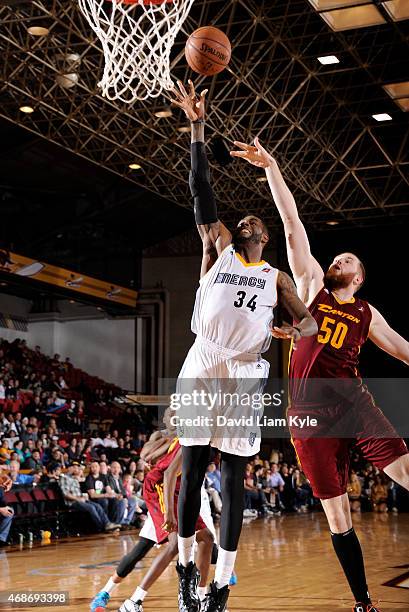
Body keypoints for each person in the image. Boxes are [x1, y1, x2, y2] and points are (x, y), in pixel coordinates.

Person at [231, 137, 409, 612]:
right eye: (335, 259)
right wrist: (271, 166)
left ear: (359, 277)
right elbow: (291, 224)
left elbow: (404, 351)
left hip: (352, 402)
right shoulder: (310, 286)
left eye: (345, 261)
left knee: (405, 471)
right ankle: (363, 601)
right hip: (307, 414)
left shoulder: (368, 314)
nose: (336, 261)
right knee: (337, 512)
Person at [170, 80, 317, 612]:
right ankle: (187, 568)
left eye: (257, 221)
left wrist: (288, 332)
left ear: (267, 239)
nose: (249, 219)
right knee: (192, 469)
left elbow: (309, 327)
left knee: (232, 476)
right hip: (205, 359)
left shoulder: (276, 277)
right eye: (246, 218)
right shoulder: (221, 245)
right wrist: (196, 126)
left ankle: (222, 583)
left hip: (248, 372)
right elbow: (199, 188)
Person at [90, 438, 214, 612]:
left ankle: (200, 597)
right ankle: (112, 594)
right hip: (162, 490)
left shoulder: (206, 439)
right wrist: (162, 452)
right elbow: (146, 456)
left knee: (206, 540)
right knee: (146, 549)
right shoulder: (174, 435)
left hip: (180, 490)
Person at [59, 463, 120, 533]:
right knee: (91, 508)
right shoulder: (64, 478)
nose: (76, 469)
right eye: (74, 467)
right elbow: (66, 494)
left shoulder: (74, 478)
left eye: (77, 468)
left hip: (81, 499)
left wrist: (83, 496)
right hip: (73, 502)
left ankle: (107, 524)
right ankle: (102, 527)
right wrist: (78, 498)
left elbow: (77, 491)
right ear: (69, 468)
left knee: (98, 506)